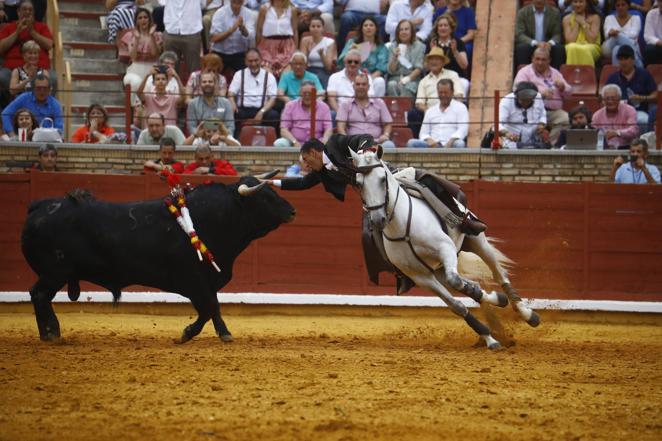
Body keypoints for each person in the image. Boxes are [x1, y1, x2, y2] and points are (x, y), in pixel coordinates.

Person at [261, 134, 486, 294]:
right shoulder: (323, 173)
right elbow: (301, 183)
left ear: (313, 152)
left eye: (306, 160)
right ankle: (403, 272)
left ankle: (465, 221)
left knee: (430, 187)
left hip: (393, 179)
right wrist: (271, 183)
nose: (306, 166)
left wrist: (364, 152)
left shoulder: (335, 144)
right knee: (370, 236)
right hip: (374, 199)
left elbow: (363, 138)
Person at [513, 46, 571, 144]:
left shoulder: (555, 73)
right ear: (532, 58)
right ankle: (532, 145)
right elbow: (517, 91)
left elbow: (570, 92)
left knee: (566, 119)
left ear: (549, 60)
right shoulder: (524, 72)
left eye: (544, 60)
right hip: (531, 110)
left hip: (553, 112)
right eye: (537, 59)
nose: (540, 62)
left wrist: (563, 87)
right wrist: (540, 95)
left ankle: (550, 145)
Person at [0, 0, 53, 104]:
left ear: (33, 13)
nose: (27, 12)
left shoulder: (41, 27)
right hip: (12, 69)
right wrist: (17, 33)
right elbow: (1, 47)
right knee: (2, 77)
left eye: (30, 10)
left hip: (39, 67)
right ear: (18, 12)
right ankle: (10, 107)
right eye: (24, 9)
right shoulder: (9, 27)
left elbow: (49, 45)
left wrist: (32, 32)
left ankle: (45, 107)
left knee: (53, 78)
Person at [407, 47, 464, 138]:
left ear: (442, 62)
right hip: (430, 112)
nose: (433, 62)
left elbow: (459, 96)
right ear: (428, 63)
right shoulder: (423, 81)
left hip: (450, 109)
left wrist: (449, 109)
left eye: (437, 59)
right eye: (431, 59)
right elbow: (419, 103)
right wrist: (430, 112)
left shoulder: (452, 75)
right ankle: (420, 142)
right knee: (413, 114)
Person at [227, 48, 279, 137]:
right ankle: (234, 140)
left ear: (261, 60)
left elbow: (273, 99)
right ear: (245, 62)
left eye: (256, 60)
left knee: (274, 115)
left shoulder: (269, 76)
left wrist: (262, 112)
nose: (253, 64)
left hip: (263, 109)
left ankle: (270, 142)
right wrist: (232, 103)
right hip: (243, 109)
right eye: (250, 61)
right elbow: (231, 93)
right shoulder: (239, 74)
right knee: (231, 113)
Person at [605, 45, 657, 134]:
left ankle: (643, 144)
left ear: (633, 60)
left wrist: (642, 98)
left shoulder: (644, 74)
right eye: (620, 59)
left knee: (644, 120)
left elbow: (656, 95)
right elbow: (603, 98)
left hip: (639, 112)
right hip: (618, 113)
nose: (623, 62)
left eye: (626, 58)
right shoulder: (612, 78)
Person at [336, 72, 394, 149]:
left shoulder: (379, 102)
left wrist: (386, 134)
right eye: (358, 84)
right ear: (353, 86)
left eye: (364, 84)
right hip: (354, 145)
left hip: (376, 143)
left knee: (389, 145)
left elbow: (388, 123)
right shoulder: (345, 104)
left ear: (369, 86)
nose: (361, 87)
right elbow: (340, 127)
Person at [407, 78, 468, 148]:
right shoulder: (431, 111)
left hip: (452, 144)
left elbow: (463, 129)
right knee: (411, 143)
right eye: (441, 92)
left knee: (460, 143)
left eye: (446, 92)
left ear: (452, 92)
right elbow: (423, 133)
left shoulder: (461, 107)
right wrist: (429, 139)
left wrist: (451, 140)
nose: (443, 95)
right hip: (432, 145)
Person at [337, 16, 388, 97]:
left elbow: (381, 69)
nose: (368, 27)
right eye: (365, 25)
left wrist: (368, 80)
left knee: (380, 81)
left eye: (371, 25)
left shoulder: (381, 47)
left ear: (376, 29)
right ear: (361, 29)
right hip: (351, 76)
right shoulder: (352, 43)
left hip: (371, 78)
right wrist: (350, 52)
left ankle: (376, 106)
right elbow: (340, 62)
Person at [121, 7, 163, 99]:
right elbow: (133, 56)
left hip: (152, 69)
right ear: (136, 21)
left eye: (145, 17)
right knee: (135, 82)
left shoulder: (157, 35)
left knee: (148, 86)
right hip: (135, 70)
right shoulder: (131, 36)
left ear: (149, 19)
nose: (143, 20)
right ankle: (135, 110)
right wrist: (136, 39)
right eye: (140, 18)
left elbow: (154, 54)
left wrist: (151, 36)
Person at [274, 80, 332, 147]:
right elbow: (283, 129)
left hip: (318, 142)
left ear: (315, 94)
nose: (307, 96)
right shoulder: (290, 105)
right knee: (279, 143)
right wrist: (294, 141)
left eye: (310, 93)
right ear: (300, 93)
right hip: (294, 142)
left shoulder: (324, 107)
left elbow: (328, 128)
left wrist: (325, 139)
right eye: (304, 93)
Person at [514, 0, 565, 70]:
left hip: (547, 45)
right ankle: (524, 75)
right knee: (521, 48)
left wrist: (550, 43)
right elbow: (519, 34)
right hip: (531, 44)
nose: (539, 0)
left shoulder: (554, 12)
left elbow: (557, 34)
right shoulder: (523, 12)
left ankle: (556, 75)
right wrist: (535, 43)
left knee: (559, 49)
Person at [499, 81, 548, 149]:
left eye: (528, 100)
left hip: (534, 141)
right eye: (523, 100)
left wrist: (541, 124)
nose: (526, 103)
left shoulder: (538, 97)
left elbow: (543, 114)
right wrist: (507, 134)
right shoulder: (507, 101)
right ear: (516, 96)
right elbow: (498, 124)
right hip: (513, 144)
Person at [210, 0, 255, 72]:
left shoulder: (249, 14)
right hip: (221, 53)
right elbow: (214, 38)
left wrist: (242, 28)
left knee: (246, 75)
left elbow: (250, 37)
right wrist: (231, 30)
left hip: (240, 54)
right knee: (212, 74)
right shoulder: (220, 13)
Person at [256, 0, 298, 77]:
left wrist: (296, 50)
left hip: (287, 47)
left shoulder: (292, 10)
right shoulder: (264, 9)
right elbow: (259, 30)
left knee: (286, 76)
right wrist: (257, 49)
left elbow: (295, 31)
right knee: (268, 76)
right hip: (267, 47)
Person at [326, 49, 376, 113]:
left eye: (356, 62)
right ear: (344, 62)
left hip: (362, 112)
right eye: (349, 61)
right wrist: (340, 114)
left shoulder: (367, 77)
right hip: (341, 111)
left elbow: (370, 97)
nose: (352, 64)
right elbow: (331, 99)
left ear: (360, 64)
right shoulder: (334, 77)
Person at [162, 0, 204, 75]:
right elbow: (162, 2)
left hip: (191, 31)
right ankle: (171, 86)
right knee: (169, 68)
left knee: (194, 70)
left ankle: (195, 86)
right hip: (171, 30)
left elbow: (204, 4)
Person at [186, 71, 235, 135]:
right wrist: (203, 135)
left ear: (215, 84)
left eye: (210, 81)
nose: (207, 84)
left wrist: (219, 136)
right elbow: (191, 127)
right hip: (201, 139)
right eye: (204, 82)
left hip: (222, 139)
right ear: (200, 85)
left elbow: (231, 127)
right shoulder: (193, 104)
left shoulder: (226, 103)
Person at [592, 84, 639, 149]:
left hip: (627, 148)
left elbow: (634, 130)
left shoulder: (630, 110)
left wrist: (617, 133)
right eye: (607, 98)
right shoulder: (597, 115)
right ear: (603, 100)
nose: (610, 101)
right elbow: (593, 135)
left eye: (613, 98)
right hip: (605, 149)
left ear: (619, 98)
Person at [428, 13, 469, 87]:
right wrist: (433, 53)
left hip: (456, 77)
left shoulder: (458, 42)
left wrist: (455, 51)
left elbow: (464, 66)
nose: (443, 28)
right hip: (436, 77)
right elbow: (426, 67)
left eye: (446, 25)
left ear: (451, 29)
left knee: (464, 83)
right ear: (437, 29)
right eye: (440, 26)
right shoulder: (432, 42)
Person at [387, 19, 425, 97]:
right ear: (398, 33)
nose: (403, 32)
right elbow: (391, 70)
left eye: (406, 29)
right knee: (391, 85)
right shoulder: (393, 46)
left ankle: (406, 109)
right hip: (395, 78)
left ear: (411, 32)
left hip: (412, 78)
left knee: (407, 87)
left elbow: (419, 68)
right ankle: (396, 108)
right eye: (401, 30)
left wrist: (407, 79)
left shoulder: (420, 46)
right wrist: (395, 57)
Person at [602, 0, 644, 68]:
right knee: (617, 37)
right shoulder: (609, 18)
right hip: (609, 47)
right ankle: (638, 63)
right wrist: (611, 34)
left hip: (626, 46)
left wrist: (617, 33)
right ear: (615, 7)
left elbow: (634, 34)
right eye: (618, 5)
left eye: (623, 5)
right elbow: (606, 35)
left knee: (617, 49)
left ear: (628, 6)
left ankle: (618, 76)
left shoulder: (636, 18)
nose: (620, 7)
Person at [299, 16, 337, 89]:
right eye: (313, 26)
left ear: (323, 28)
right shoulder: (305, 40)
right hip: (308, 70)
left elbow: (329, 67)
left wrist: (322, 55)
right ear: (309, 28)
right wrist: (308, 51)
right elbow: (302, 64)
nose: (315, 29)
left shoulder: (329, 42)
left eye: (318, 26)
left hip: (323, 71)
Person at [562, 0, 601, 66]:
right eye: (575, 2)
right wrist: (576, 23)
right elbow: (570, 41)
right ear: (571, 3)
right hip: (572, 45)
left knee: (585, 49)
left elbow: (591, 40)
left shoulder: (595, 17)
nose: (578, 5)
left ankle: (587, 75)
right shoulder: (566, 19)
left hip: (591, 46)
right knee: (572, 47)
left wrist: (583, 22)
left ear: (586, 3)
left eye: (581, 2)